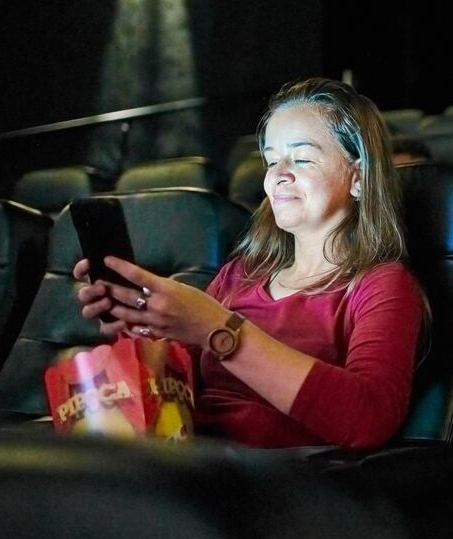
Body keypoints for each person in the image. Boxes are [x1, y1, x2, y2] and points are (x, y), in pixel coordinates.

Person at [74, 78, 425, 450]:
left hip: (276, 484)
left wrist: (220, 330)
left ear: (358, 177)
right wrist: (138, 324)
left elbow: (368, 418)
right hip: (189, 458)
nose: (278, 174)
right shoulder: (240, 275)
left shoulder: (382, 284)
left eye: (302, 158)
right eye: (272, 160)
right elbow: (177, 388)